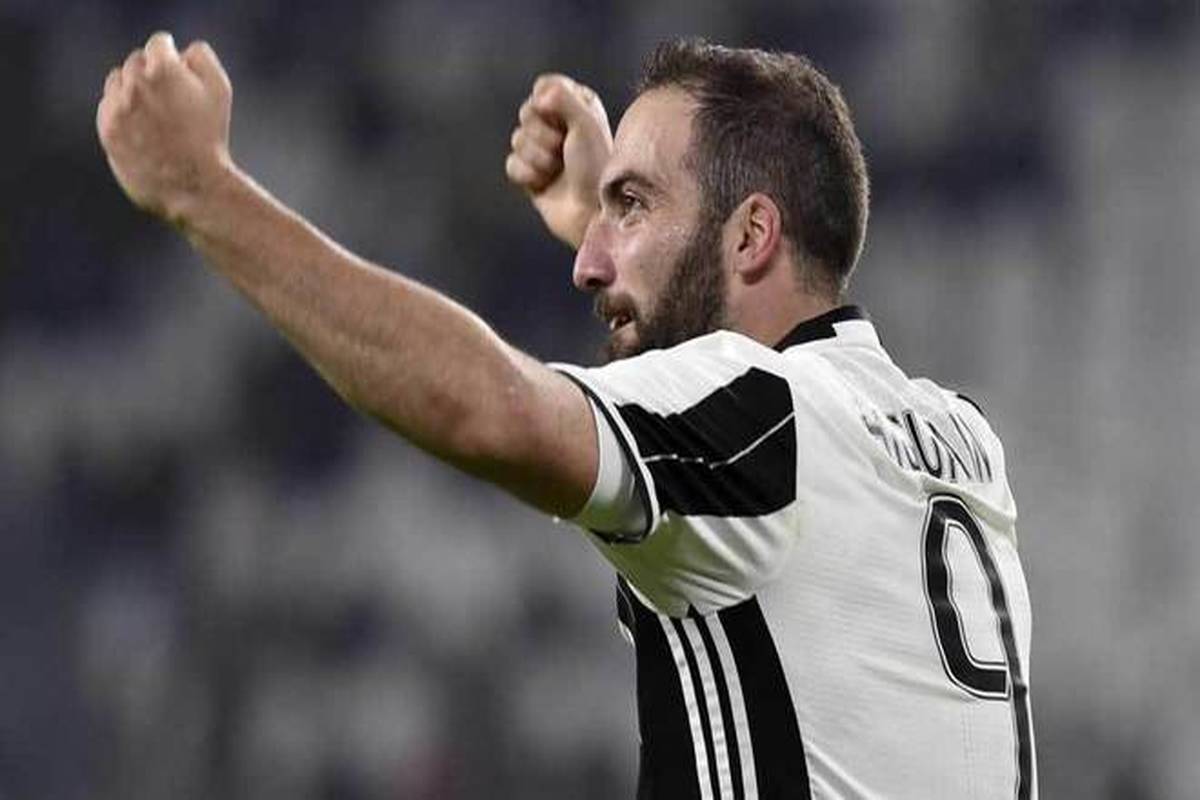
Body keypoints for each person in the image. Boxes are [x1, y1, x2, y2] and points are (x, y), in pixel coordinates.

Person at [96, 32, 1036, 800]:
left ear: (751, 234)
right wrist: (619, 220)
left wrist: (203, 191)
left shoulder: (760, 413)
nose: (587, 265)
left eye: (636, 205)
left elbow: (490, 413)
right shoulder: (956, 435)